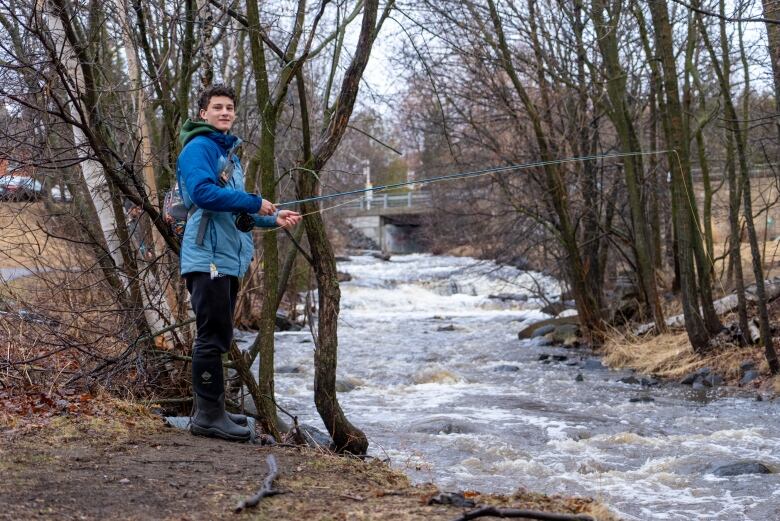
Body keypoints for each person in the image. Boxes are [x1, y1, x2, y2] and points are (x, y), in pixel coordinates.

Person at [177, 84, 301, 441]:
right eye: (217, 107)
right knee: (211, 336)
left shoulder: (228, 154)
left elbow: (235, 211)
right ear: (203, 113)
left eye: (229, 107)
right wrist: (251, 201)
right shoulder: (199, 148)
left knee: (219, 334)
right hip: (208, 257)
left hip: (226, 257)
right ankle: (207, 418)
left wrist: (270, 218)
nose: (225, 112)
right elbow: (202, 194)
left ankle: (210, 410)